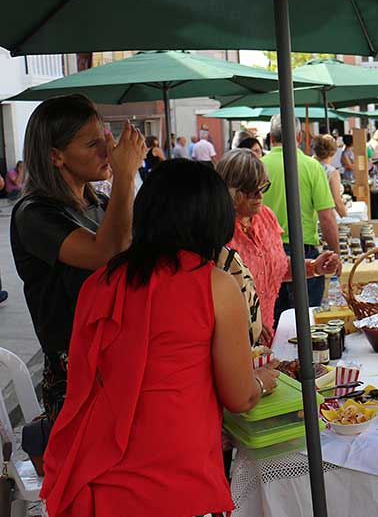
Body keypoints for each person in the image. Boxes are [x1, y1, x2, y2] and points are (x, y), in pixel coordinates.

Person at [39, 159, 281, 517]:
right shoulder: (215, 285)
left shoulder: (98, 284)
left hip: (96, 472)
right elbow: (239, 395)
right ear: (212, 219)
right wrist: (261, 382)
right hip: (174, 476)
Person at [10, 94, 146, 420]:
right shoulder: (34, 214)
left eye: (105, 141)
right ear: (56, 156)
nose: (106, 152)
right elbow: (107, 253)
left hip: (119, 360)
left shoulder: (98, 202)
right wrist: (125, 175)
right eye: (91, 145)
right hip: (77, 376)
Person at [216, 149, 339, 346]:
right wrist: (247, 320)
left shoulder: (266, 217)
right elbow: (213, 296)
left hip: (265, 334)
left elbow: (275, 268)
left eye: (262, 187)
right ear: (231, 192)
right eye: (250, 191)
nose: (259, 196)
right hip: (233, 341)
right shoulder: (217, 231)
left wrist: (314, 267)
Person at [262, 114, 339, 313]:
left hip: (267, 253)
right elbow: (326, 217)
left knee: (274, 321)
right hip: (303, 252)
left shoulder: (259, 166)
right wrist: (335, 253)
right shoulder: (311, 166)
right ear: (299, 138)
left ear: (271, 137)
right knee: (307, 322)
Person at [314, 134, 349, 218]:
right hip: (327, 215)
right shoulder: (332, 172)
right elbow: (337, 202)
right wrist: (347, 219)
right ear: (333, 152)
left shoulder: (309, 166)